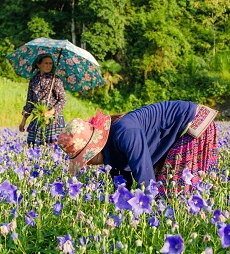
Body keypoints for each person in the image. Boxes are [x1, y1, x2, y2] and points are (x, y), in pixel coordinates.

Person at [57, 101, 219, 192]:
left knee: (175, 190)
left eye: (86, 159)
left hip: (192, 124)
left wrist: (148, 204)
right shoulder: (109, 142)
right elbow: (121, 177)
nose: (88, 164)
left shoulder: (124, 132)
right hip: (179, 130)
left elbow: (144, 171)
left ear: (93, 147)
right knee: (164, 186)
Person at [19, 54, 66, 146]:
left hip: (53, 119)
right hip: (38, 118)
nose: (49, 66)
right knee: (34, 147)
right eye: (46, 63)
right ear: (38, 64)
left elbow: (62, 99)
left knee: (53, 148)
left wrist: (51, 112)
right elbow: (29, 102)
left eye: (51, 63)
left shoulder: (56, 80)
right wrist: (23, 120)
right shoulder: (33, 80)